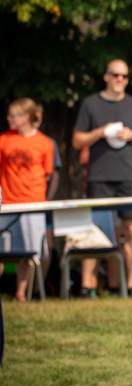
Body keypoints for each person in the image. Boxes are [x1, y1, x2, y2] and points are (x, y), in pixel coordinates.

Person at [72, 59, 132, 297]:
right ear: (106, 76)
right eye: (116, 75)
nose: (120, 80)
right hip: (99, 176)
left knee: (131, 232)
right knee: (96, 231)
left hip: (128, 176)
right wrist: (100, 132)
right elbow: (77, 141)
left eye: (125, 76)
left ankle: (130, 287)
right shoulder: (91, 104)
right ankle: (89, 287)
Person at [0, 98, 56, 301]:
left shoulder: (44, 143)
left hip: (33, 205)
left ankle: (22, 293)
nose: (9, 118)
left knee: (29, 252)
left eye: (13, 114)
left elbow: (48, 174)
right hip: (6, 205)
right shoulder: (4, 140)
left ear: (25, 117)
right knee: (3, 252)